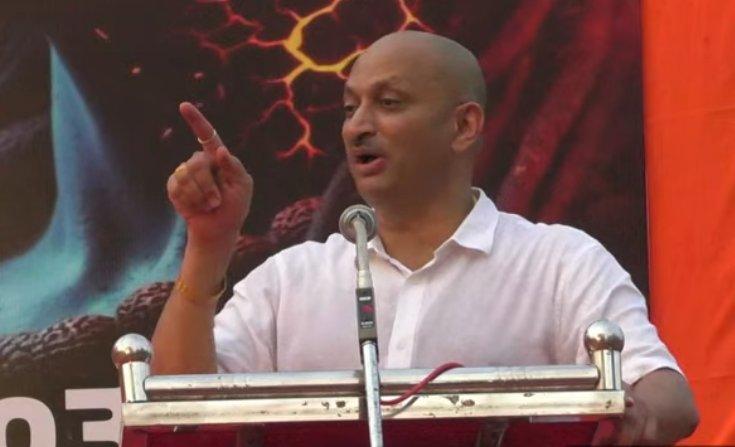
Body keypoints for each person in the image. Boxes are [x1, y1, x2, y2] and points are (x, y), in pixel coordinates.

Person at [151, 31, 698, 444]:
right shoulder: (291, 279)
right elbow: (178, 414)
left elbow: (668, 394)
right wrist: (209, 245)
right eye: (350, 108)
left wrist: (640, 416)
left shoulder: (558, 262)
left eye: (388, 103)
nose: (357, 126)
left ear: (464, 126)